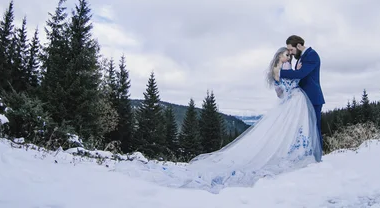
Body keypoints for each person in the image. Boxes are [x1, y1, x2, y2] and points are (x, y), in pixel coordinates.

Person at [115, 47, 322, 194]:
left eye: (290, 54)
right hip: (294, 102)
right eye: (287, 54)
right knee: (292, 132)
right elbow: (294, 79)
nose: (289, 56)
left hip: (289, 103)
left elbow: (279, 92)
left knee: (286, 133)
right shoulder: (284, 70)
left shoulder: (277, 71)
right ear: (280, 56)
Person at [274, 35, 325, 150]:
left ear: (299, 45)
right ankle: (308, 154)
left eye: (291, 50)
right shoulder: (301, 58)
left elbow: (300, 74)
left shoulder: (312, 55)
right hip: (303, 99)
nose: (291, 53)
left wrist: (279, 73)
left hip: (313, 98)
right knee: (306, 129)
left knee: (315, 129)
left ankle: (318, 158)